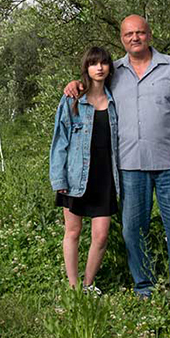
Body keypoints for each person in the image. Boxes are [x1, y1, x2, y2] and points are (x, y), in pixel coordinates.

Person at [64, 16, 170, 297]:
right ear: (122, 38)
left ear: (149, 34)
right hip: (128, 165)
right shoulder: (114, 71)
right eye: (129, 34)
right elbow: (91, 87)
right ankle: (145, 286)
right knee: (133, 231)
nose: (135, 38)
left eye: (140, 32)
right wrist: (74, 85)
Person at [50, 47, 120, 293]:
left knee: (100, 236)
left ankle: (88, 284)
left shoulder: (115, 101)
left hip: (105, 178)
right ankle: (73, 286)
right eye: (93, 64)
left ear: (110, 68)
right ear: (86, 68)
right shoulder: (73, 100)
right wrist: (58, 177)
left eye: (103, 63)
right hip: (75, 176)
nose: (99, 68)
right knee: (73, 231)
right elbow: (60, 141)